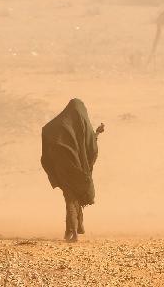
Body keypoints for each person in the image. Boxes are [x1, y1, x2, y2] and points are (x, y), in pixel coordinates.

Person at [41, 99, 105, 242]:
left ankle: (70, 232)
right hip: (79, 171)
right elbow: (91, 148)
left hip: (63, 169)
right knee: (73, 198)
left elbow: (47, 134)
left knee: (70, 198)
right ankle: (74, 232)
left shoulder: (58, 125)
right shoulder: (83, 124)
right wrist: (97, 133)